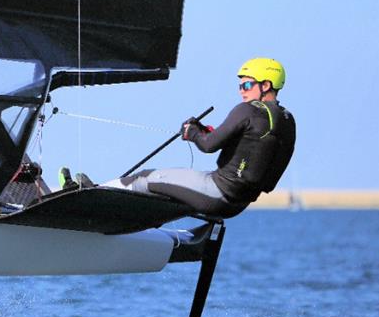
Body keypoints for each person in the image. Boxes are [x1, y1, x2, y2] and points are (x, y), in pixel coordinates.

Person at [61, 58, 296, 218]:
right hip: (237, 205)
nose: (241, 90)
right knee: (162, 190)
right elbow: (266, 177)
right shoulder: (288, 121)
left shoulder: (248, 110)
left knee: (144, 178)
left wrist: (192, 133)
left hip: (215, 192)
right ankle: (118, 212)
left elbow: (208, 145)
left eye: (247, 84)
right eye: (240, 85)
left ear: (266, 85)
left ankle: (90, 196)